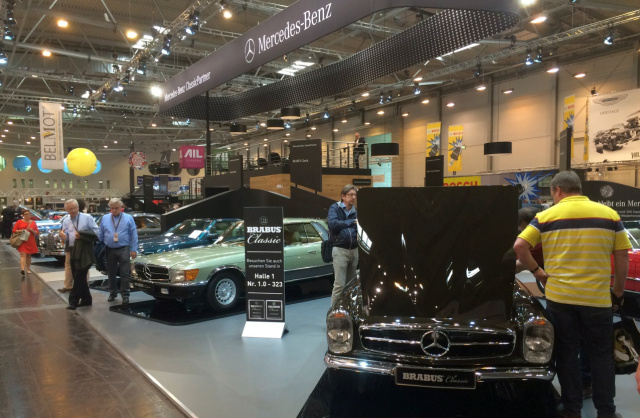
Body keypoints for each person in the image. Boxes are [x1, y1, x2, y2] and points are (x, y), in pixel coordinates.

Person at [513, 170, 629, 418]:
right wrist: (618, 291)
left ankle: (571, 409)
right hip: (597, 299)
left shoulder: (545, 216)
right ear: (579, 188)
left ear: (557, 190)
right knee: (601, 355)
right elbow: (621, 255)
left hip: (561, 299)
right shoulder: (609, 215)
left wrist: (537, 272)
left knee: (567, 354)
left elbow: (520, 246)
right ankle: (606, 411)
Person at [58, 199, 98, 310]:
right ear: (66, 210)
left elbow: (97, 232)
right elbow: (65, 234)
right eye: (70, 209)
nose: (73, 210)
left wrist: (82, 236)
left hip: (85, 250)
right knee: (78, 276)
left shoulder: (87, 218)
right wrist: (62, 235)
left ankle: (73, 302)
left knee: (79, 275)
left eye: (75, 208)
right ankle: (87, 300)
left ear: (78, 207)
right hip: (72, 250)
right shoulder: (66, 220)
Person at [98, 198, 138, 305]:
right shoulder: (105, 218)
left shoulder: (128, 218)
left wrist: (134, 249)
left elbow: (134, 234)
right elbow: (101, 233)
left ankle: (125, 295)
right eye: (112, 208)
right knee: (111, 272)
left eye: (116, 208)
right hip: (109, 249)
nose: (114, 210)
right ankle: (112, 293)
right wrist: (98, 245)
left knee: (124, 273)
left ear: (121, 207)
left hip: (123, 248)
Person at [328, 184, 358, 306]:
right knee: (339, 284)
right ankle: (333, 313)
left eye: (354, 195)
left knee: (352, 285)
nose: (353, 197)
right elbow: (333, 224)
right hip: (340, 250)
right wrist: (352, 222)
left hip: (354, 250)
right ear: (343, 196)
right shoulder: (335, 208)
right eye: (350, 195)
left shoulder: (355, 211)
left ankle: (348, 310)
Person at [12, 209, 39, 275]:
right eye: (26, 214)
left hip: (30, 240)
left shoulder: (33, 222)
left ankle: (28, 269)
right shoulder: (19, 222)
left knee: (29, 255)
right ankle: (22, 269)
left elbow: (37, 232)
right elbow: (14, 230)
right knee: (23, 254)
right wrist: (22, 231)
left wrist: (32, 230)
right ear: (23, 215)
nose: (28, 215)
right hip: (22, 240)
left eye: (29, 214)